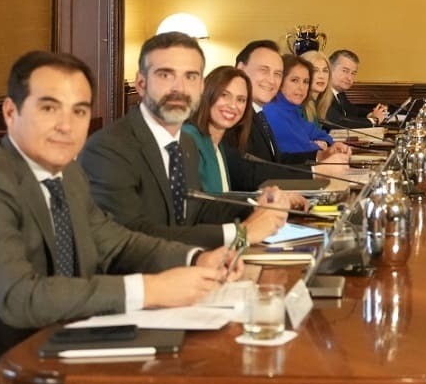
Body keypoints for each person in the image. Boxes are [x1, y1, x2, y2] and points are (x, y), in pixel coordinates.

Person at [0, 51, 239, 384]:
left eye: (79, 111)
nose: (66, 125)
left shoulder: (65, 172)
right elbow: (19, 296)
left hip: (74, 363)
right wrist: (149, 290)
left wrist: (195, 259)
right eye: (48, 107)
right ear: (10, 111)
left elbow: (115, 241)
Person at [80, 32, 290, 249]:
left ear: (201, 87)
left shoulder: (184, 144)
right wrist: (240, 233)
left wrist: (260, 207)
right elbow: (132, 235)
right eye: (165, 75)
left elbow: (197, 209)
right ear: (141, 84)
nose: (179, 88)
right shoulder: (109, 149)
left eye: (190, 76)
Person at [264, 54, 353, 158]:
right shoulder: (272, 112)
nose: (301, 87)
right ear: (279, 81)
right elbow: (300, 150)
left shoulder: (291, 109)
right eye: (294, 80)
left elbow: (318, 134)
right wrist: (318, 147)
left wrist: (328, 143)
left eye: (306, 82)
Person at [182, 66, 252, 194]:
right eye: (224, 95)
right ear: (207, 94)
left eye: (241, 100)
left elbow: (222, 201)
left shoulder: (217, 144)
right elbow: (197, 207)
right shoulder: (188, 139)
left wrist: (265, 199)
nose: (233, 105)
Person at [325, 49, 388, 128]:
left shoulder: (339, 94)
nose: (349, 78)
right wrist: (373, 120)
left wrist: (372, 113)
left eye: (353, 73)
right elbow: (339, 122)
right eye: (345, 71)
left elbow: (354, 111)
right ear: (330, 69)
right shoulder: (321, 93)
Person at [299, 50, 333, 126]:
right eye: (315, 71)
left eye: (325, 71)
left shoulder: (318, 104)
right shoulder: (299, 107)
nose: (321, 76)